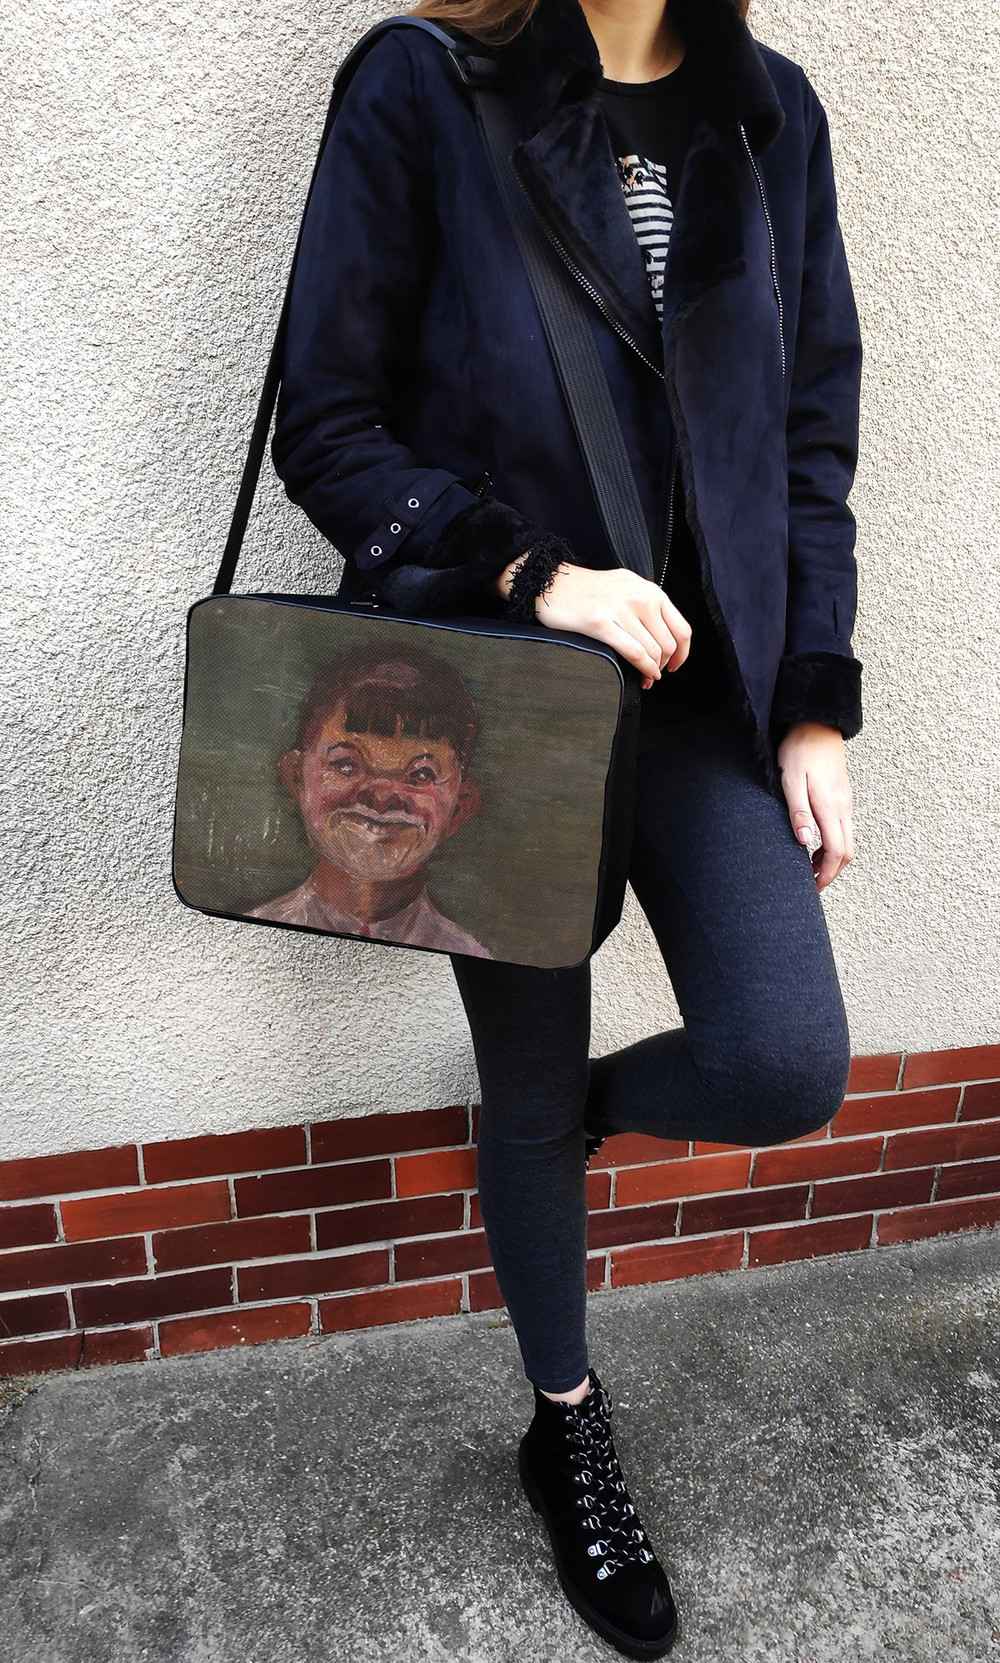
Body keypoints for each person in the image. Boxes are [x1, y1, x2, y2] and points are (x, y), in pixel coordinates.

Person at [270, 0, 864, 1652]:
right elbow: (330, 419)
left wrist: (814, 700)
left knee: (782, 1058)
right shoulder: (424, 82)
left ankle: (549, 1129)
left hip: (701, 696)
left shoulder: (771, 114)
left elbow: (809, 435)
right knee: (525, 1076)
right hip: (501, 703)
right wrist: (530, 567)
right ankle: (565, 1418)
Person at [249, 645, 494, 957]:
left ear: (458, 809)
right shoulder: (252, 939)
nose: (381, 795)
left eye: (420, 775)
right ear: (298, 779)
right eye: (345, 765)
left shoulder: (470, 957)